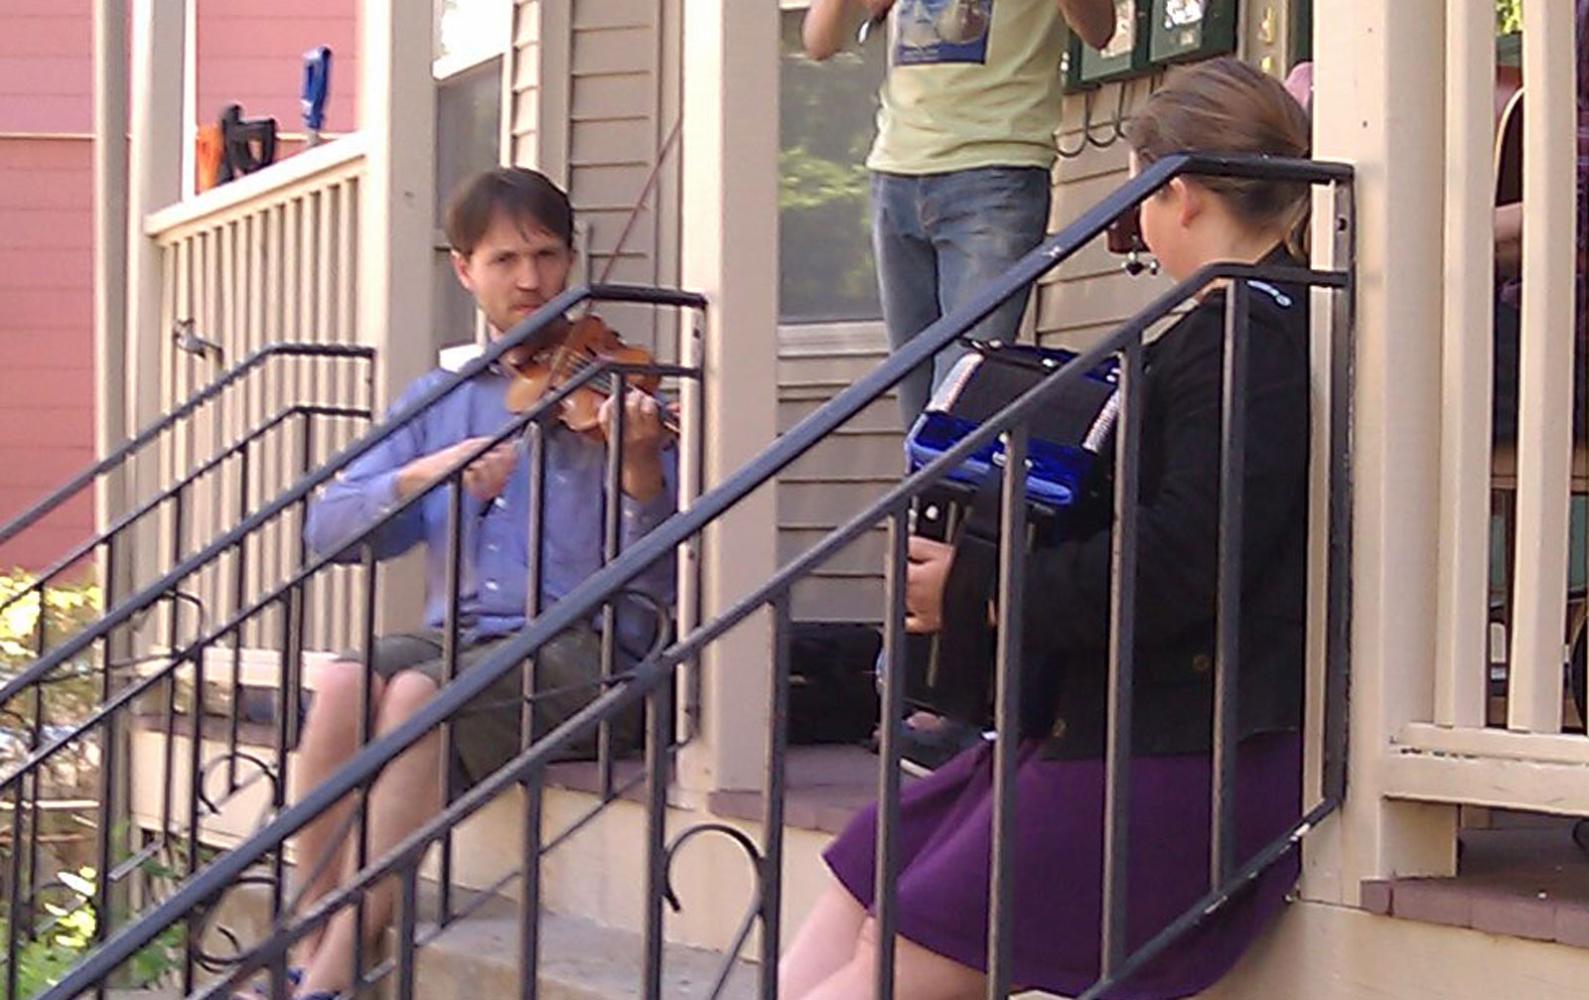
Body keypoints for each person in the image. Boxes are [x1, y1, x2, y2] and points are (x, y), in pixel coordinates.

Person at [778, 58, 1316, 999]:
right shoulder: (1227, 323)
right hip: (1106, 722)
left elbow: (1186, 559)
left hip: (1185, 751)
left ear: (1179, 193)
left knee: (896, 959)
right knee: (863, 886)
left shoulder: (1244, 337)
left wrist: (978, 591)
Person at [286, 167, 675, 998]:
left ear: (570, 260)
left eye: (545, 255)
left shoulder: (614, 385)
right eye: (504, 260)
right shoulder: (441, 399)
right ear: (465, 270)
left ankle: (330, 972)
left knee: (417, 694)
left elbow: (661, 568)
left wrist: (639, 466)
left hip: (588, 646)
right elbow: (327, 529)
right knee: (346, 680)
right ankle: (313, 938)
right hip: (459, 637)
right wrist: (421, 476)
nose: (529, 279)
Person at [802, 0, 1118, 423]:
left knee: (960, 398)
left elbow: (1100, 30)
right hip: (896, 170)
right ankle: (926, 471)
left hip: (996, 171)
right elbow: (820, 41)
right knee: (917, 399)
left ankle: (947, 468)